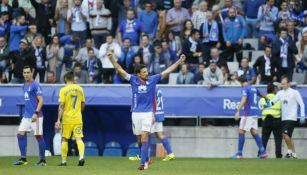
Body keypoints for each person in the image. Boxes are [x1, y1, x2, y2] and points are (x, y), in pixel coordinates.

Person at [107, 51, 186, 170]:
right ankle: (146, 159)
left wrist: (179, 61)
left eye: (147, 71)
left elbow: (168, 70)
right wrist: (111, 58)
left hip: (148, 114)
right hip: (135, 113)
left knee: (144, 137)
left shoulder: (153, 79)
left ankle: (142, 164)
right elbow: (119, 69)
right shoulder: (133, 80)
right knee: (139, 139)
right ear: (138, 74)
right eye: (144, 72)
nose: (147, 73)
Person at [129, 88, 175, 161]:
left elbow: (153, 101)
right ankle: (170, 153)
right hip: (160, 113)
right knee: (159, 134)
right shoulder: (159, 89)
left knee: (144, 134)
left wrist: (153, 114)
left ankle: (143, 156)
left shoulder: (151, 88)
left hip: (151, 114)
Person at [14, 65, 46, 166]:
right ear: (23, 74)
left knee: (39, 136)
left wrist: (36, 113)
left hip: (36, 116)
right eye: (25, 73)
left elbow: (41, 100)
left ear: (31, 73)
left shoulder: (35, 85)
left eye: (28, 72)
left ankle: (43, 160)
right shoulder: (24, 85)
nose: (26, 74)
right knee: (20, 134)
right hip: (27, 116)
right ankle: (23, 159)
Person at [267, 76, 305, 158]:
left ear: (288, 84)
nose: (283, 85)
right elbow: (272, 102)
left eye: (284, 84)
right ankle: (294, 154)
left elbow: (302, 104)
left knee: (285, 133)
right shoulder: (280, 93)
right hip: (283, 118)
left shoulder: (295, 92)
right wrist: (267, 104)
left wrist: (302, 116)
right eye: (282, 84)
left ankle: (289, 151)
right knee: (289, 136)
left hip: (292, 117)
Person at [231, 75, 268, 159]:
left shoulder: (245, 88)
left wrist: (237, 111)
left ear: (240, 82)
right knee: (254, 132)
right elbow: (261, 93)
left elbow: (244, 99)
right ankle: (263, 152)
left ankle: (239, 154)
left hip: (248, 114)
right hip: (255, 114)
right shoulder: (253, 88)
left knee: (241, 131)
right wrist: (266, 98)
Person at [55, 71, 86, 166]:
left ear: (65, 79)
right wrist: (78, 112)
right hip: (77, 118)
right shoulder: (80, 89)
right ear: (73, 79)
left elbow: (61, 106)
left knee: (64, 139)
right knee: (78, 138)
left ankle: (64, 161)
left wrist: (58, 120)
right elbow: (83, 104)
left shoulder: (63, 90)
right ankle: (81, 157)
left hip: (67, 119)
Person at [259, 84, 282, 158]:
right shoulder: (278, 98)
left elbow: (262, 106)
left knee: (264, 138)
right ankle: (278, 155)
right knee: (278, 139)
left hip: (266, 120)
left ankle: (261, 154)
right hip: (277, 119)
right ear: (274, 90)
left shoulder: (262, 99)